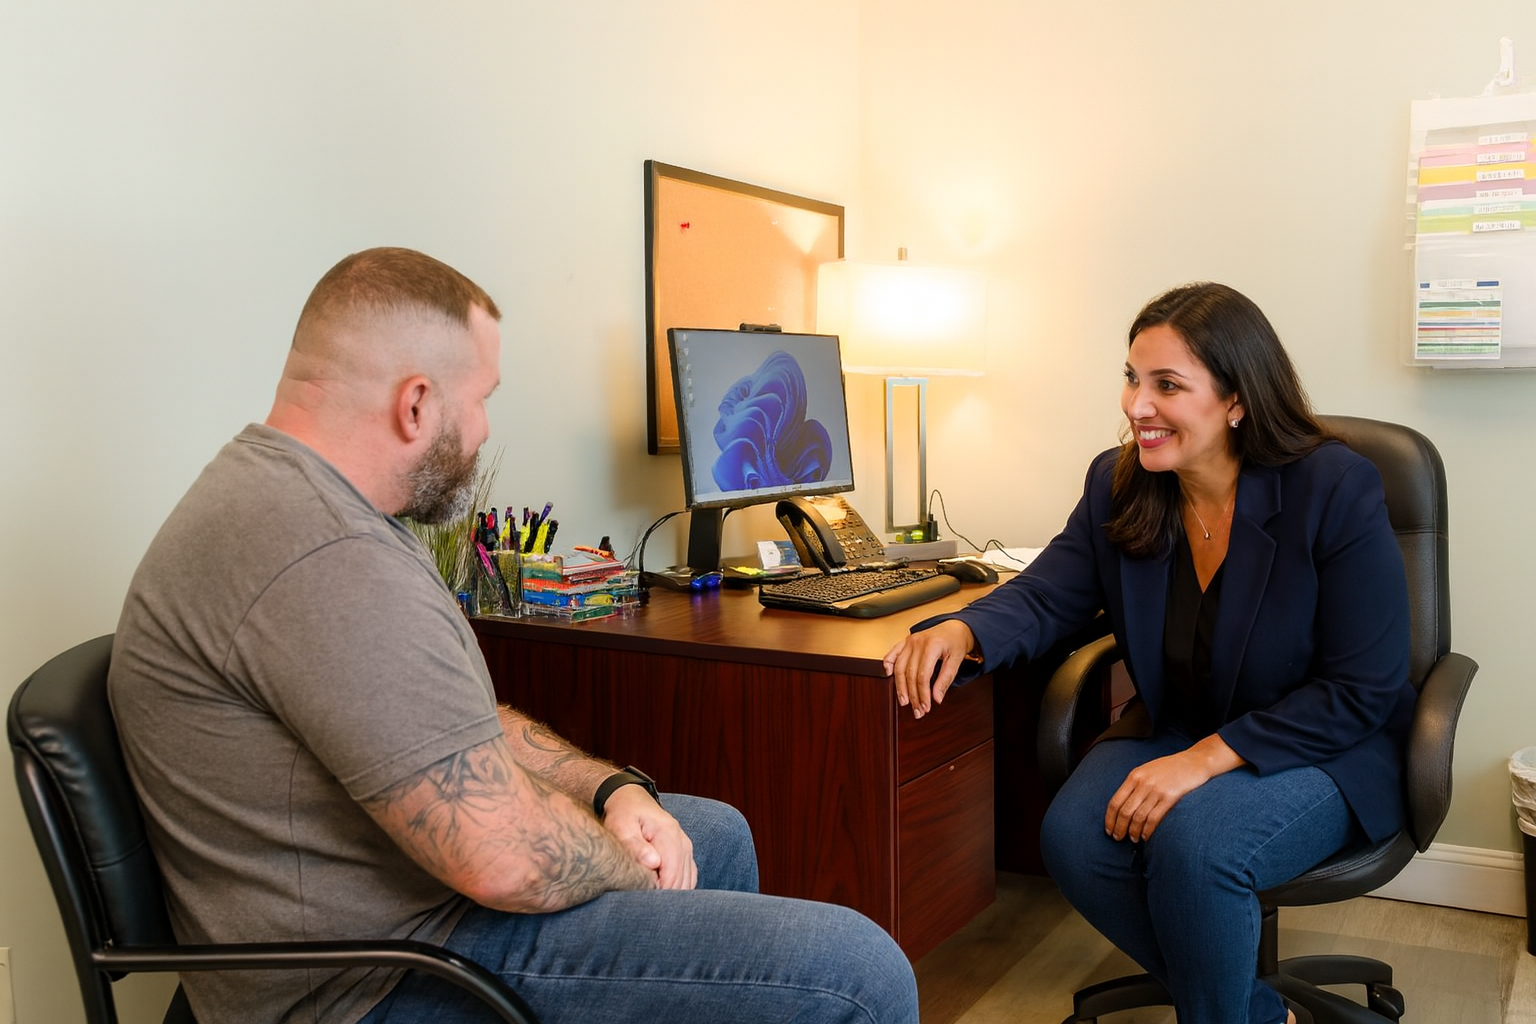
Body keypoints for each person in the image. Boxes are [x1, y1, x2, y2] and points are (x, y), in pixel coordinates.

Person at [108, 247, 918, 1024]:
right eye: (483, 398)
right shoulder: (322, 555)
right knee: (858, 973)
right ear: (416, 402)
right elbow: (504, 860)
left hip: (410, 909)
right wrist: (624, 863)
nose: (487, 430)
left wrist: (615, 793)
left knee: (715, 834)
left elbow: (468, 723)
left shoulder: (318, 506)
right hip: (370, 982)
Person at [883, 282, 1415, 1024]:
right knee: (1073, 837)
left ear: (1236, 400)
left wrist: (1204, 761)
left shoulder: (1332, 487)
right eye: (1133, 377)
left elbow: (1365, 686)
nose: (1137, 405)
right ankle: (1254, 1015)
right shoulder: (1121, 480)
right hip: (1179, 725)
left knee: (1198, 849)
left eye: (1167, 385)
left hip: (1321, 746)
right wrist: (964, 629)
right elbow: (1050, 593)